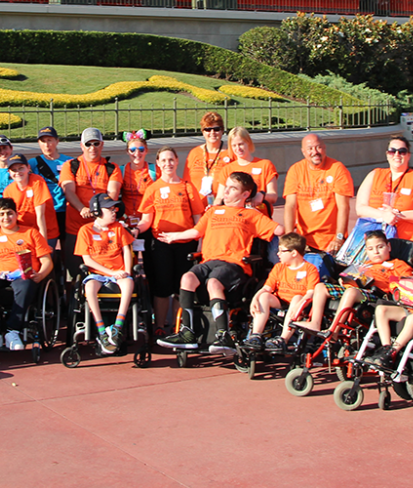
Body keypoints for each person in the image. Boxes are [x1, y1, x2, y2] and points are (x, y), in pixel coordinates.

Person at [155, 172, 282, 352]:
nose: (226, 191)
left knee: (214, 282)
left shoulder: (250, 215)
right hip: (209, 260)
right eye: (227, 187)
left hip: (233, 264)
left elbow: (279, 230)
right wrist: (173, 237)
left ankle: (223, 334)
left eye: (233, 188)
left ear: (245, 194)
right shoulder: (213, 211)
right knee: (187, 278)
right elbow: (196, 232)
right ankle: (187, 332)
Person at [137, 147, 204, 335]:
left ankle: (178, 326)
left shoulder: (187, 187)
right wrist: (135, 230)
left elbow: (198, 219)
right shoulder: (153, 188)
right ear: (158, 164)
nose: (168, 164)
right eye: (164, 160)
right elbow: (146, 220)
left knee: (181, 286)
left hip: (185, 244)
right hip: (161, 245)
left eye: (171, 160)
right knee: (162, 285)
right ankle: (160, 325)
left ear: (177, 161)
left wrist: (198, 240)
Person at [0, 199, 54, 351]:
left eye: (9, 213)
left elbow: (47, 261)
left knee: (26, 284)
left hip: (23, 277)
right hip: (0, 276)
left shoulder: (31, 233)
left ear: (16, 215)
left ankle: (13, 330)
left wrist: (41, 275)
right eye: (1, 214)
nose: (6, 217)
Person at [59, 128, 122, 284]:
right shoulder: (71, 166)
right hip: (76, 228)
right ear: (82, 146)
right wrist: (82, 209)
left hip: (102, 229)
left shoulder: (111, 168)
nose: (92, 148)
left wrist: (99, 213)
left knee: (104, 271)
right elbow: (69, 191)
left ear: (102, 145)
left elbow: (112, 192)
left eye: (96, 143)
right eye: (88, 144)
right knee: (74, 274)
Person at [74, 194, 135, 353]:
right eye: (109, 209)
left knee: (129, 283)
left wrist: (127, 270)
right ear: (97, 211)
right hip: (98, 273)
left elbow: (126, 249)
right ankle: (101, 329)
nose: (114, 211)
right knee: (89, 288)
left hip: (119, 272)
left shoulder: (118, 228)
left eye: (114, 208)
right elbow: (87, 261)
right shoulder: (85, 230)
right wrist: (110, 272)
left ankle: (118, 326)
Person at [246, 233, 322, 350]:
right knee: (264, 296)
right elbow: (266, 288)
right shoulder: (279, 267)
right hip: (281, 301)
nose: (278, 254)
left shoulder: (310, 269)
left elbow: (310, 293)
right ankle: (256, 335)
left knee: (297, 297)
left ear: (293, 253)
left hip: (299, 304)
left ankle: (283, 339)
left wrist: (300, 305)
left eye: (282, 251)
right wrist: (255, 299)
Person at [282, 134, 354, 253]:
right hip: (305, 240)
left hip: (331, 240)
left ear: (324, 148)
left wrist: (339, 238)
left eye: (318, 147)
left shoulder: (337, 169)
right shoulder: (296, 170)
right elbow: (290, 205)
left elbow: (343, 207)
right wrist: (289, 238)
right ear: (303, 151)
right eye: (310, 148)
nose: (315, 152)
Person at [355, 135, 413, 240]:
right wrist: (384, 215)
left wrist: (398, 215)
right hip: (376, 242)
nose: (397, 155)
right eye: (392, 151)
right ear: (387, 154)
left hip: (406, 240)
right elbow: (360, 208)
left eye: (402, 151)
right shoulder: (374, 174)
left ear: (408, 155)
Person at [29, 126, 73, 251]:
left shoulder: (69, 161)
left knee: (67, 246)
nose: (47, 144)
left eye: (50, 140)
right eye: (43, 141)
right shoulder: (33, 163)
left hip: (65, 208)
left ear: (57, 141)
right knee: (48, 247)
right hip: (46, 210)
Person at [214, 127, 277, 213]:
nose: (238, 148)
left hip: (260, 217)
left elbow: (273, 196)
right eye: (234, 145)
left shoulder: (265, 165)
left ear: (248, 143)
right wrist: (214, 209)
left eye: (241, 144)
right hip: (235, 218)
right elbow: (220, 197)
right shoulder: (227, 169)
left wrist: (261, 195)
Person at [2, 154, 57, 247]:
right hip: (24, 233)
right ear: (9, 173)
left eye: (21, 168)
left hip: (45, 232)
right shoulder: (8, 191)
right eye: (14, 170)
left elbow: (40, 215)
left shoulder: (37, 181)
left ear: (28, 168)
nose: (18, 172)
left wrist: (43, 242)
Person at [184, 112, 232, 204]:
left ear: (222, 130)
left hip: (221, 206)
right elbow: (187, 182)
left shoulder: (230, 154)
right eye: (208, 129)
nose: (212, 133)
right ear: (203, 132)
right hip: (196, 207)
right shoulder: (194, 153)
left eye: (216, 129)